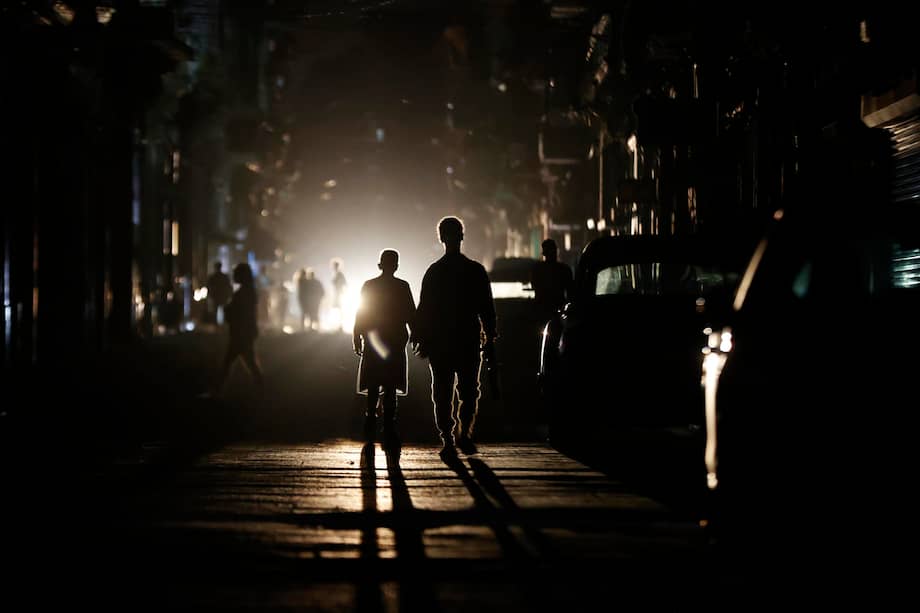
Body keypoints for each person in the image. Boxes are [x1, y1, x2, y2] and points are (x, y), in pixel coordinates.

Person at [412, 216, 497, 459]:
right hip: (467, 339)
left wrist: (419, 335)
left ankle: (449, 435)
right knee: (468, 390)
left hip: (442, 342)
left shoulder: (435, 272)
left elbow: (424, 308)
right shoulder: (475, 271)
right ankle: (462, 433)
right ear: (461, 236)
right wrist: (490, 336)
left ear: (442, 238)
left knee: (443, 390)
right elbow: (486, 308)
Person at [353, 249, 416, 446]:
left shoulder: (369, 286)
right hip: (395, 342)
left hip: (373, 341)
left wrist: (356, 335)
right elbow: (411, 315)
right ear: (396, 265)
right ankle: (389, 428)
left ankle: (369, 424)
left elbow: (361, 313)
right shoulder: (402, 286)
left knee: (373, 385)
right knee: (390, 386)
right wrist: (417, 335)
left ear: (380, 264)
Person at [214, 263, 264, 395]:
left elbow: (239, 313)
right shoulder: (248, 292)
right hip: (245, 332)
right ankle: (261, 386)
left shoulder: (242, 293)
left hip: (240, 332)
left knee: (231, 362)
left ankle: (218, 390)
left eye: (236, 273)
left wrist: (228, 310)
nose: (234, 275)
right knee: (248, 361)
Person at [530, 238, 573, 323]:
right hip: (557, 308)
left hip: (544, 309)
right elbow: (570, 292)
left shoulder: (538, 269)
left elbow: (535, 287)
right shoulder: (564, 269)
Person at [206, 261, 233, 326]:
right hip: (222, 296)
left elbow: (209, 287)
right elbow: (228, 286)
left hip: (216, 296)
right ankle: (222, 324)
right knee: (223, 310)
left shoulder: (213, 277)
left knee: (216, 310)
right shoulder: (224, 276)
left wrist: (209, 295)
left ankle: (216, 324)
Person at [330, 258, 348, 330]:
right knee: (338, 310)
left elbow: (345, 284)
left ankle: (340, 326)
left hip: (339, 294)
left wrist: (342, 292)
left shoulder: (339, 274)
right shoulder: (337, 274)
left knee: (340, 310)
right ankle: (338, 325)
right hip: (337, 294)